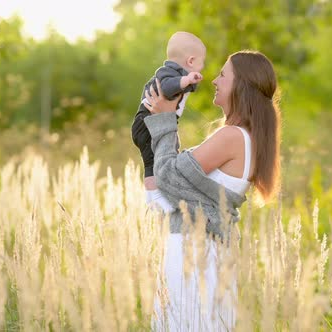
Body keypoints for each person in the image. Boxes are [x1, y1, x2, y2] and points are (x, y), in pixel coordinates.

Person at [142, 50, 281, 331]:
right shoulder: (247, 138)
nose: (215, 81)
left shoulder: (232, 136)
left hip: (194, 255)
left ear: (240, 85)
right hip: (206, 254)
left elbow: (167, 176)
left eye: (223, 75)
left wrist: (165, 120)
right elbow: (179, 183)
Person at [131, 31, 206, 213]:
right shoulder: (167, 74)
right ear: (190, 61)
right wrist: (186, 80)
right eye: (201, 62)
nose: (202, 67)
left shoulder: (177, 75)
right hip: (148, 123)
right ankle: (155, 199)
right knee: (153, 162)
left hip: (156, 122)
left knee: (165, 158)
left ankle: (162, 194)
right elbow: (166, 87)